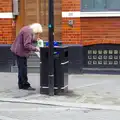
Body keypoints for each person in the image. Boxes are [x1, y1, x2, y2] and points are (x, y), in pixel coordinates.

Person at [10, 23, 43, 90]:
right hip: (20, 52)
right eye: (37, 33)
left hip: (18, 50)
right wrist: (35, 48)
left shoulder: (27, 28)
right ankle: (25, 85)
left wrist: (35, 40)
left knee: (21, 68)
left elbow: (27, 39)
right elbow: (27, 45)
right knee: (23, 69)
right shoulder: (28, 32)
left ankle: (21, 84)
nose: (37, 34)